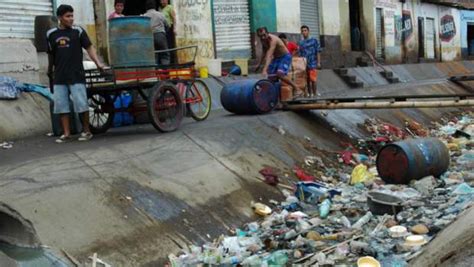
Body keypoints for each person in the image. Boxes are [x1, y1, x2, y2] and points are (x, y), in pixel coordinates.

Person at [47, 4, 105, 143]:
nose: (71, 19)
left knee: (81, 104)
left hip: (76, 75)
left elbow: (89, 48)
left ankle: (86, 131)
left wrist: (98, 63)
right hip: (60, 76)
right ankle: (66, 134)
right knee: (62, 106)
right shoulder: (51, 34)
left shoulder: (78, 31)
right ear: (60, 18)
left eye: (72, 16)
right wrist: (49, 70)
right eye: (68, 16)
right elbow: (50, 54)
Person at [256, 27, 298, 95]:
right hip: (276, 58)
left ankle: (296, 88)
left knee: (280, 74)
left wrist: (265, 69)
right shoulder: (262, 40)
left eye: (264, 35)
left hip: (285, 57)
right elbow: (264, 52)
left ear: (267, 33)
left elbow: (269, 54)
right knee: (271, 78)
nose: (263, 37)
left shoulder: (273, 40)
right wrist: (259, 64)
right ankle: (277, 100)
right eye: (260, 36)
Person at [144, 0, 169, 65]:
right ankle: (165, 70)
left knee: (154, 54)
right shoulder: (160, 14)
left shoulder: (144, 16)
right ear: (155, 6)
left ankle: (155, 71)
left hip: (149, 37)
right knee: (164, 53)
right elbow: (167, 24)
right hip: (160, 35)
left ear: (146, 7)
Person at [299, 25, 321, 97]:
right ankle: (309, 94)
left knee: (313, 79)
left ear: (308, 31)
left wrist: (318, 62)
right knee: (307, 80)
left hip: (313, 63)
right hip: (305, 64)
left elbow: (318, 51)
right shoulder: (301, 43)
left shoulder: (314, 40)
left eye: (305, 30)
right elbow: (300, 55)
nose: (304, 32)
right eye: (302, 31)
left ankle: (315, 94)